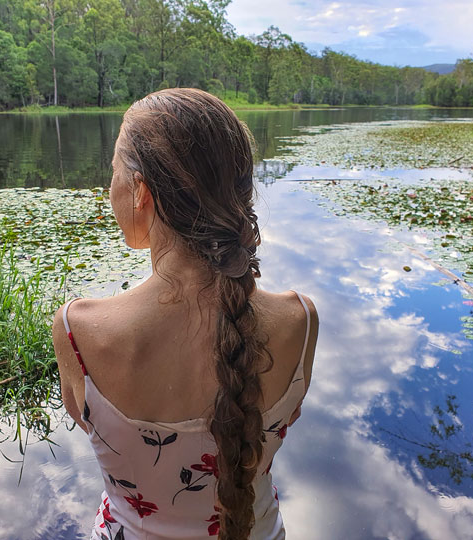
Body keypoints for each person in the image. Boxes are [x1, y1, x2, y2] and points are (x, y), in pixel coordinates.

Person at [52, 88, 318, 540]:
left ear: (140, 191)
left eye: (113, 172)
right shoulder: (301, 321)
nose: (108, 187)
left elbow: (86, 421)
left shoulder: (79, 331)